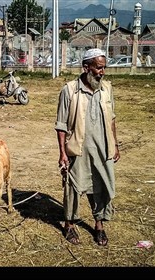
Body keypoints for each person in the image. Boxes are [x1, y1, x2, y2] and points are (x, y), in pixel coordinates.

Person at [55, 48, 120, 246]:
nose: (102, 72)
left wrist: (115, 145)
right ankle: (70, 224)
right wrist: (62, 153)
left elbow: (112, 119)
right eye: (99, 68)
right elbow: (61, 125)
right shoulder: (69, 90)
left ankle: (99, 225)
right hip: (78, 149)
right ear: (86, 68)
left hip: (103, 149)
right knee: (73, 188)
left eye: (104, 68)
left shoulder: (106, 88)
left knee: (100, 187)